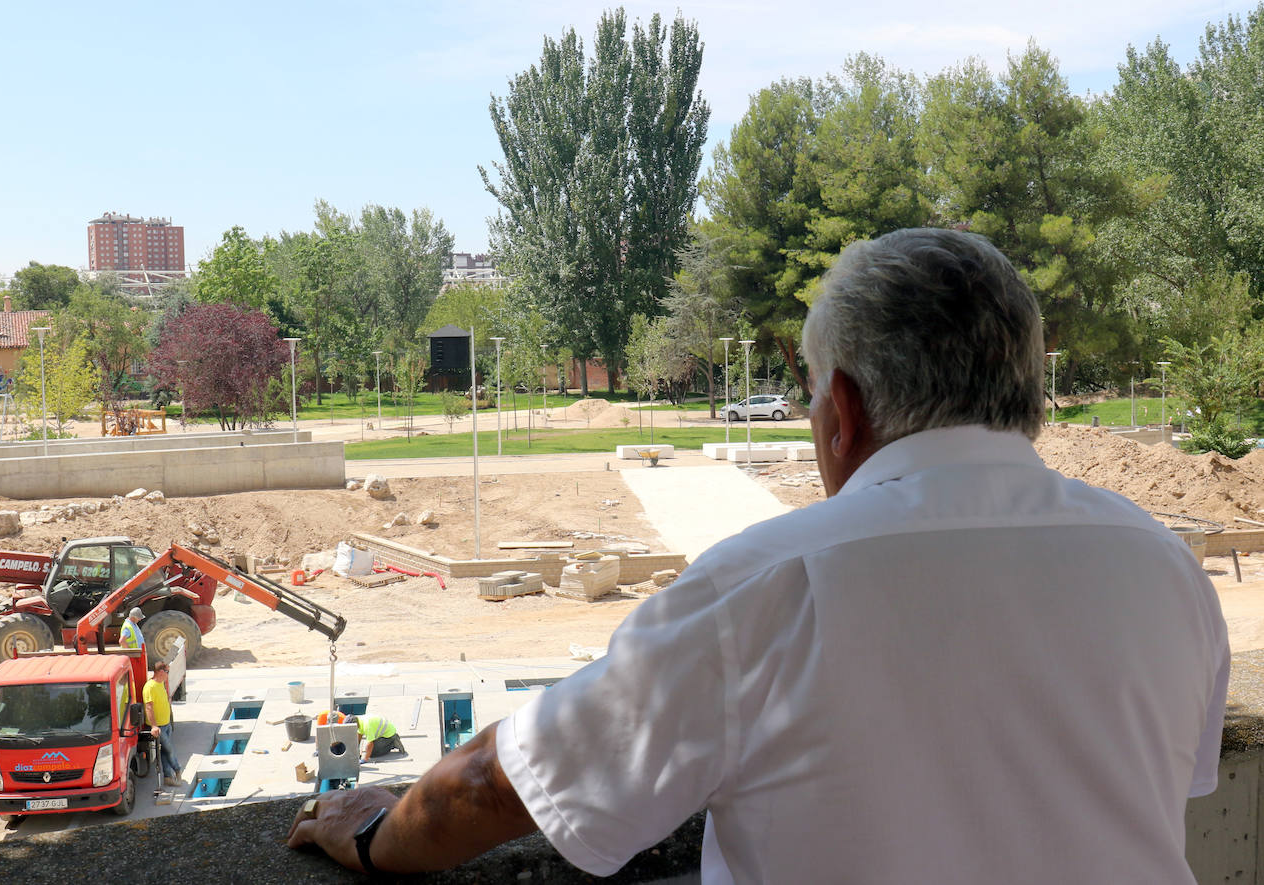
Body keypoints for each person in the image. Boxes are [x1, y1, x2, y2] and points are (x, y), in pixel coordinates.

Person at [287, 228, 1229, 883]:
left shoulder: (772, 577)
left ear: (844, 408)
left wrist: (368, 832)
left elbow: (502, 783)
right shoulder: (1162, 565)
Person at [143, 660, 181, 787]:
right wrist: (154, 726)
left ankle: (168, 777)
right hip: (159, 727)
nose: (168, 674)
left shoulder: (161, 684)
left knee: (165, 751)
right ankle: (177, 769)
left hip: (166, 724)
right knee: (169, 750)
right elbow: (149, 707)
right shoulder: (150, 687)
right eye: (167, 672)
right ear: (160, 672)